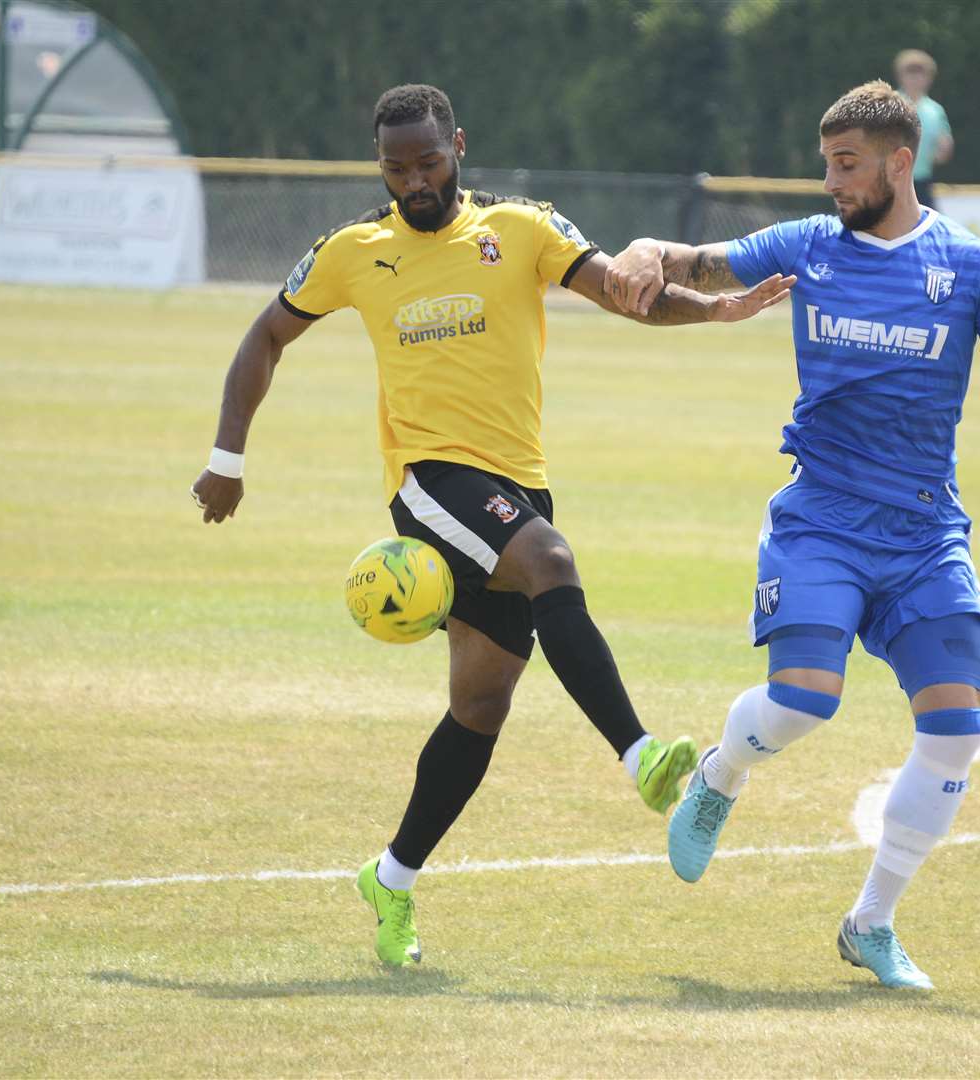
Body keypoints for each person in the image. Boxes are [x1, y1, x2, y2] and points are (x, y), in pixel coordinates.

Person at [190, 84, 793, 968]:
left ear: (458, 147)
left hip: (517, 482)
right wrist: (227, 458)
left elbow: (621, 291)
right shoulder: (354, 251)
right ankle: (646, 762)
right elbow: (265, 336)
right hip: (430, 484)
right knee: (549, 562)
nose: (414, 181)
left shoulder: (520, 228)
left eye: (428, 163)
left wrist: (713, 310)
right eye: (396, 167)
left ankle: (389, 881)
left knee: (480, 704)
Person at [603, 80, 980, 989]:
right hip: (823, 520)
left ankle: (870, 923)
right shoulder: (806, 247)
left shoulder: (969, 265)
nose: (830, 180)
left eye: (846, 165)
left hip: (924, 534)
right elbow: (699, 260)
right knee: (801, 705)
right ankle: (718, 776)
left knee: (955, 731)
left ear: (898, 163)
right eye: (826, 163)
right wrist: (646, 248)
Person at [894, 49, 953, 210]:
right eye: (910, 72)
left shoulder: (935, 110)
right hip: (892, 182)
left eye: (920, 73)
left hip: (922, 183)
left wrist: (944, 150)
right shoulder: (890, 103)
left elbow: (942, 152)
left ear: (929, 78)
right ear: (901, 76)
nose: (915, 78)